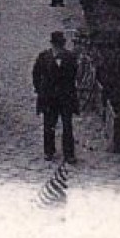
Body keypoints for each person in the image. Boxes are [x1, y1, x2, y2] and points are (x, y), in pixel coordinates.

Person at [33, 31, 80, 162]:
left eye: (61, 45)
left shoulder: (70, 57)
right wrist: (39, 90)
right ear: (52, 45)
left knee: (67, 125)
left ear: (63, 45)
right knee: (49, 124)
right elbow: (36, 74)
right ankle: (49, 151)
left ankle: (69, 154)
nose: (58, 48)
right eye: (56, 45)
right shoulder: (43, 57)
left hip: (66, 97)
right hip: (49, 97)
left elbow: (74, 75)